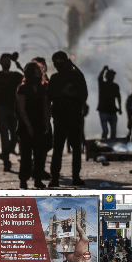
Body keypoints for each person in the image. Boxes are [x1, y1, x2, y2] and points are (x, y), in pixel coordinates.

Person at [47, 51, 88, 187]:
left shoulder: (76, 76)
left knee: (75, 148)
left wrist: (72, 94)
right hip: (60, 117)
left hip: (74, 116)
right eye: (55, 62)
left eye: (60, 61)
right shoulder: (55, 78)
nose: (57, 64)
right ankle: (55, 178)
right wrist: (63, 92)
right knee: (59, 149)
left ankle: (75, 177)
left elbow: (84, 94)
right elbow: (49, 96)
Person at [15, 61, 51, 189]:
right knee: (26, 155)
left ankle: (37, 179)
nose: (38, 72)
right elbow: (21, 108)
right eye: (35, 70)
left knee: (40, 155)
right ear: (30, 72)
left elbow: (45, 106)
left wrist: (47, 123)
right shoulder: (22, 88)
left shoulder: (42, 87)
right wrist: (28, 125)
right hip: (25, 125)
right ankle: (23, 180)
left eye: (39, 70)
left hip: (39, 124)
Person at [0, 53, 23, 172]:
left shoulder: (15, 75)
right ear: (1, 62)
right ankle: (6, 161)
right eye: (5, 61)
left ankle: (5, 154)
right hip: (1, 109)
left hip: (14, 109)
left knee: (15, 136)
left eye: (8, 61)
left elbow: (28, 79)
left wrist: (19, 66)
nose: (7, 63)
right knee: (4, 136)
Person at [97, 65, 121, 140]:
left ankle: (112, 145)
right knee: (105, 131)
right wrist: (103, 69)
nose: (112, 77)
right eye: (110, 75)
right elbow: (99, 78)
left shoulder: (115, 86)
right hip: (103, 110)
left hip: (113, 111)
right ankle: (103, 144)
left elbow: (118, 97)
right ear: (106, 76)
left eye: (113, 75)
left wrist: (120, 108)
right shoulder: (103, 84)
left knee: (113, 132)